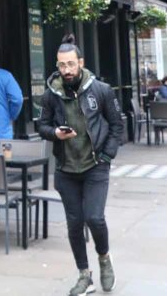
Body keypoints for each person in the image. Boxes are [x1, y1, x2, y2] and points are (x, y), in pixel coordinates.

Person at [39, 35, 123, 295]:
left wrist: (107, 156)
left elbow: (117, 125)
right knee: (74, 224)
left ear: (81, 63)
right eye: (62, 65)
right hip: (66, 169)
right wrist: (55, 133)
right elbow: (41, 126)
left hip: (95, 165)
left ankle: (104, 259)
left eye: (71, 64)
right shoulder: (51, 94)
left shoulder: (101, 90)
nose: (66, 70)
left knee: (94, 218)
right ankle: (84, 275)